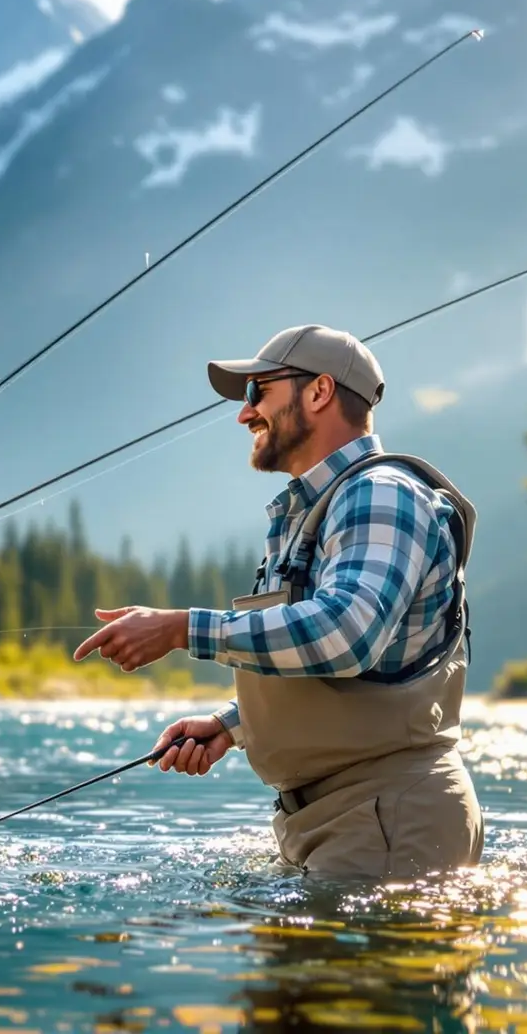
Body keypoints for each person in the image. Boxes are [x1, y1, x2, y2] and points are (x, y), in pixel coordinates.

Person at [72, 324, 482, 881]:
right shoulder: (323, 506)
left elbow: (348, 633)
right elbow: (364, 672)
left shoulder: (380, 493)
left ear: (318, 392)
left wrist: (181, 629)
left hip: (386, 817)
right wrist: (236, 725)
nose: (245, 414)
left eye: (257, 391)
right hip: (349, 818)